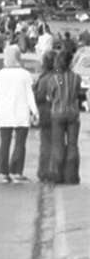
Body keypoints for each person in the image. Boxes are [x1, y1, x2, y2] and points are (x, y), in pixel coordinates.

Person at [0, 46, 39, 183]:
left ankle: (4, 172)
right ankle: (17, 171)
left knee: (4, 142)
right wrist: (35, 112)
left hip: (4, 112)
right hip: (21, 112)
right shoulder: (25, 75)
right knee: (20, 143)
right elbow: (30, 95)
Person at [44, 49, 82, 185]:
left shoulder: (54, 78)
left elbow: (50, 96)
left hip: (58, 113)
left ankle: (57, 174)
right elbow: (77, 93)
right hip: (73, 113)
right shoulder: (77, 77)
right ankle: (72, 176)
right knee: (72, 145)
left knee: (58, 144)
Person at [33, 51, 57, 183]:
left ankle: (44, 171)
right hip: (58, 114)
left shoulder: (44, 79)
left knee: (46, 144)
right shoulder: (59, 77)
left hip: (46, 115)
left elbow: (39, 96)